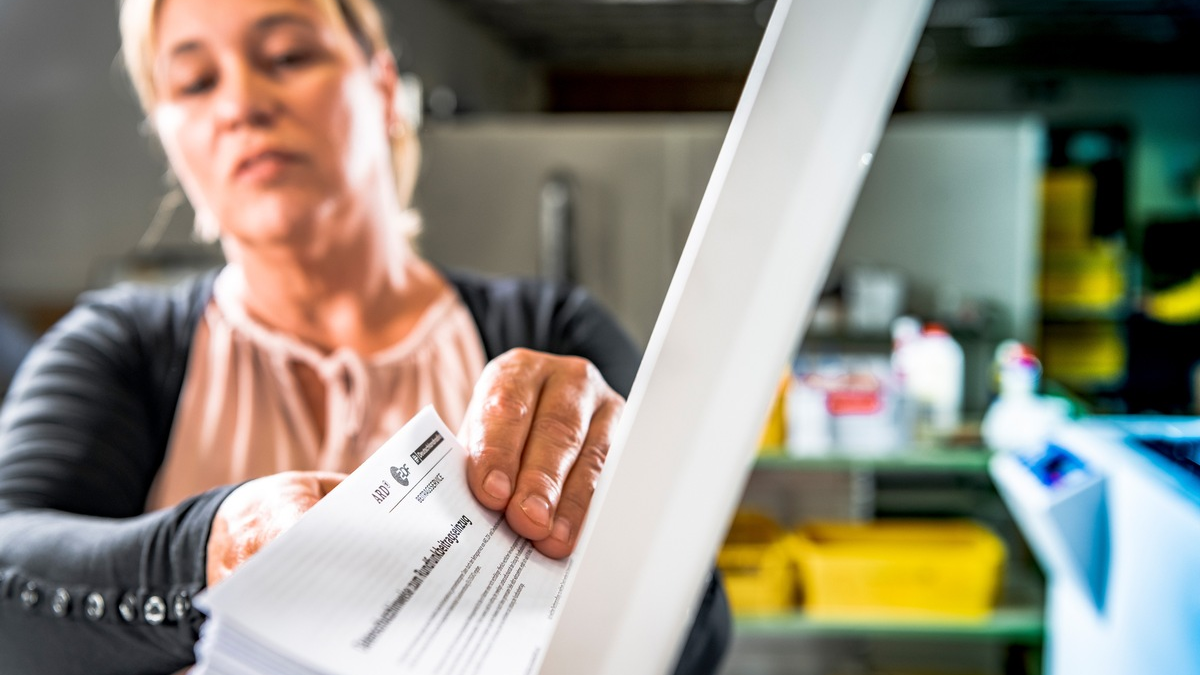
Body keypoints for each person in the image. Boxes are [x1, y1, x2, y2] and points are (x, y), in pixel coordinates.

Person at [0, 0, 730, 672]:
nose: (242, 104)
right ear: (170, 142)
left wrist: (626, 507)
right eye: (193, 82)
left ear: (383, 88)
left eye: (287, 56)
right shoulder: (120, 347)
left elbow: (699, 635)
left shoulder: (556, 332)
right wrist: (209, 549)